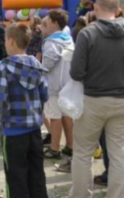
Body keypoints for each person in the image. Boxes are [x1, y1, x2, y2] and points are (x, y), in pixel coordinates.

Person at [69, 0, 124, 198]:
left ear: (95, 8)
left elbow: (76, 72)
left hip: (92, 101)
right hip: (123, 101)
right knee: (119, 154)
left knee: (82, 154)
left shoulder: (87, 34)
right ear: (117, 9)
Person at [0, 23, 49, 198]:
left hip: (13, 131)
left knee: (15, 178)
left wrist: (1, 120)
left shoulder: (4, 67)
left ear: (11, 41)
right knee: (37, 175)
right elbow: (44, 95)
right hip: (34, 130)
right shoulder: (37, 66)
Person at [40, 10, 74, 161]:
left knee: (54, 116)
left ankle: (54, 149)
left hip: (54, 85)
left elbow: (48, 62)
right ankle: (71, 146)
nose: (43, 27)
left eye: (45, 24)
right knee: (67, 115)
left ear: (54, 23)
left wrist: (39, 69)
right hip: (67, 83)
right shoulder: (68, 38)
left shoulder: (51, 42)